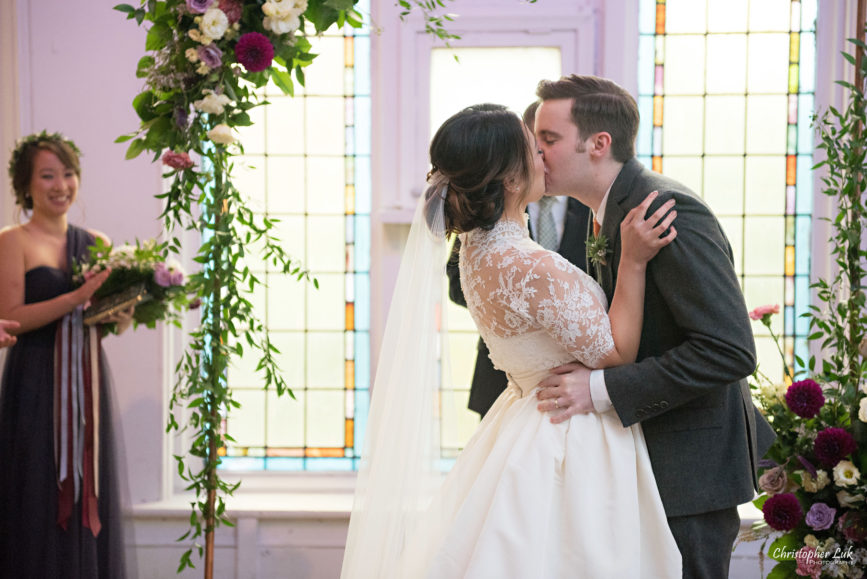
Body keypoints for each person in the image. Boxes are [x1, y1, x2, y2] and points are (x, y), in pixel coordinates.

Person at [341, 104, 682, 578]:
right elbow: (618, 354)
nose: (543, 157)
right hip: (567, 434)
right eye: (531, 150)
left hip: (520, 419)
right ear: (510, 180)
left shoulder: (473, 253)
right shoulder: (532, 267)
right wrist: (634, 262)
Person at [533, 74, 776, 578]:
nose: (536, 154)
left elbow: (728, 350)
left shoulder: (666, 210)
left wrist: (599, 388)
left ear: (598, 144)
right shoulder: (607, 212)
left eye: (548, 140)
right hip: (643, 462)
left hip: (689, 471)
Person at [0, 131, 132, 577]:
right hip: (35, 385)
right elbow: (12, 319)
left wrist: (125, 309)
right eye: (48, 175)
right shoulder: (12, 240)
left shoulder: (95, 240)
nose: (61, 185)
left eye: (68, 173)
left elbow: (105, 326)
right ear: (26, 184)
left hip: (87, 383)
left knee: (87, 490)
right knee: (37, 493)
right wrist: (77, 297)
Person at [446, 101, 592, 417]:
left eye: (550, 143)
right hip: (503, 382)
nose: (542, 154)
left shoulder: (594, 207)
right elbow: (457, 285)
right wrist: (521, 295)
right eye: (535, 145)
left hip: (577, 392)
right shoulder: (482, 216)